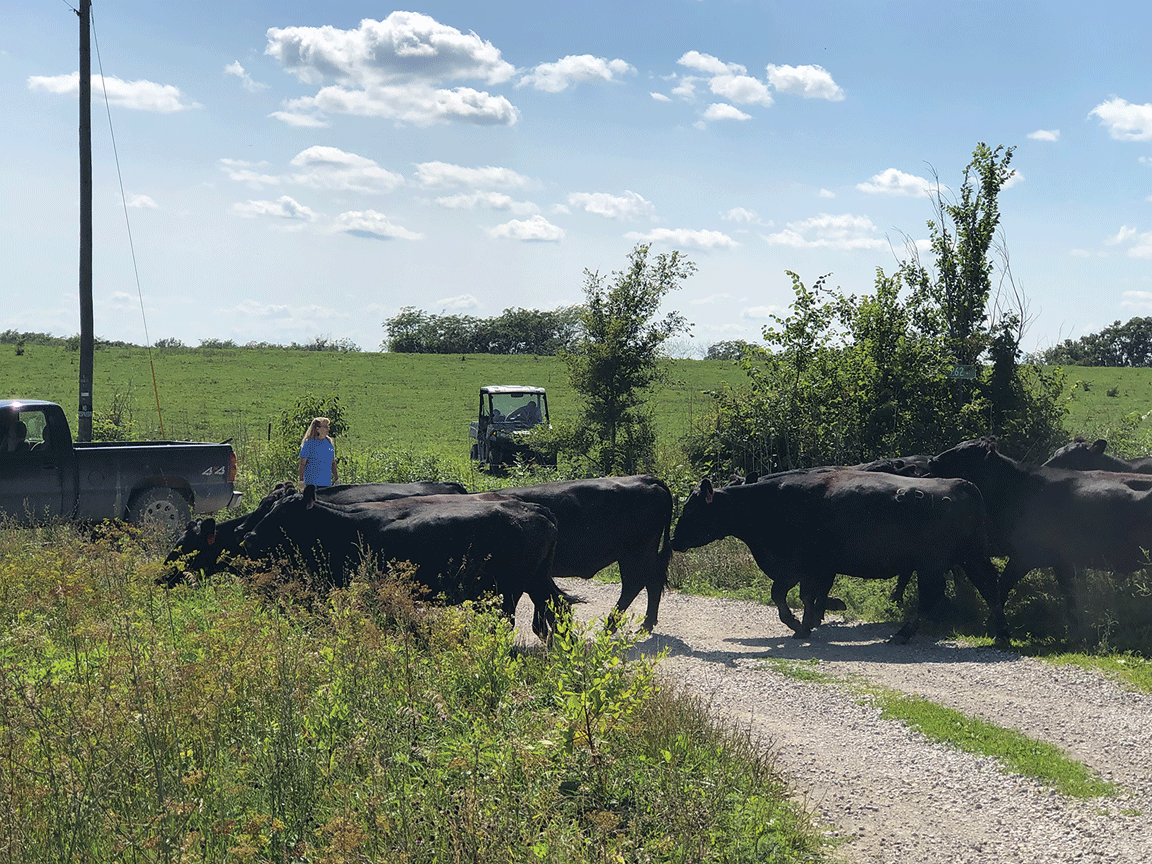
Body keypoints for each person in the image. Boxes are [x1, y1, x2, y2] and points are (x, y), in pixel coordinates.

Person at [298, 417, 337, 487]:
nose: (327, 429)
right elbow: (302, 464)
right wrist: (301, 481)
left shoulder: (328, 443)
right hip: (311, 485)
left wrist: (336, 479)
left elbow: (333, 462)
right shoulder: (308, 444)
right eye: (325, 427)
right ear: (317, 429)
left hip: (326, 485)